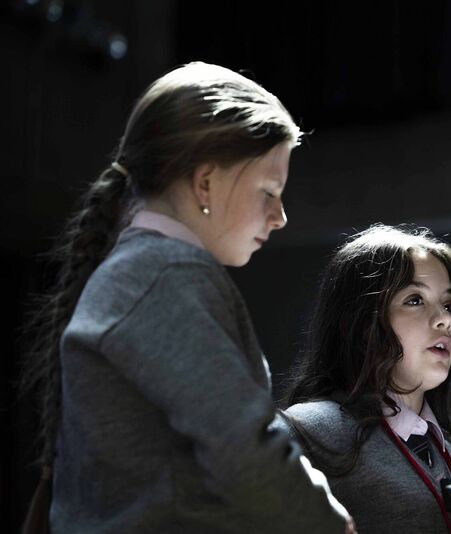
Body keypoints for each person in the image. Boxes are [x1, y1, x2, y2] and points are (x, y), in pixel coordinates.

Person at [20, 62, 353, 533]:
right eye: (269, 190)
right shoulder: (166, 274)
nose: (280, 216)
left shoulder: (140, 275)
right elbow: (243, 447)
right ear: (205, 184)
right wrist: (330, 524)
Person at [279, 224, 451, 534]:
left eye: (449, 305)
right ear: (362, 321)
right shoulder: (307, 430)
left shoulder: (446, 451)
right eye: (415, 300)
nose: (445, 319)